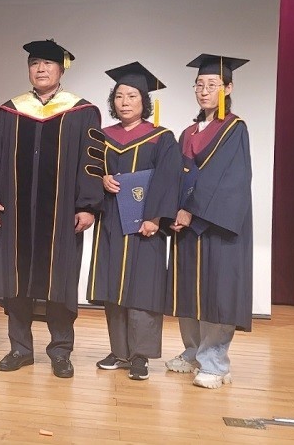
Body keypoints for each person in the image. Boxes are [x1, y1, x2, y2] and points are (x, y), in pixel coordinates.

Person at [0, 39, 104, 379]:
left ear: (61, 70)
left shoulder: (82, 112)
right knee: (16, 280)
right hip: (17, 213)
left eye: (48, 64)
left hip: (62, 215)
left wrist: (87, 205)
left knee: (59, 281)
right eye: (34, 63)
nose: (40, 69)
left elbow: (91, 162)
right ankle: (20, 349)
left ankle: (61, 352)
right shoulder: (9, 111)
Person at [87, 62, 181, 381]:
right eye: (119, 96)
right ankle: (119, 351)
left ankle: (140, 356)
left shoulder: (161, 138)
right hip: (112, 220)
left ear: (144, 101)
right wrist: (101, 179)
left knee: (143, 288)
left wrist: (155, 217)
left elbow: (168, 179)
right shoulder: (103, 137)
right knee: (113, 284)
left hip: (145, 225)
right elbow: (89, 171)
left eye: (132, 96)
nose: (125, 102)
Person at [166, 54, 253, 389]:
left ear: (227, 88)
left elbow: (226, 179)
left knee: (218, 291)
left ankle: (216, 364)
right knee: (188, 288)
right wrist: (171, 210)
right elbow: (176, 176)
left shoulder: (234, 128)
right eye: (199, 85)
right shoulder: (187, 132)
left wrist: (191, 211)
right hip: (186, 224)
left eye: (212, 85)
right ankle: (193, 352)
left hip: (216, 224)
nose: (204, 91)